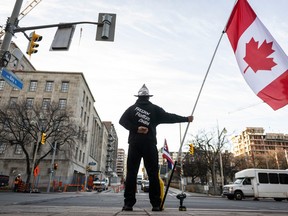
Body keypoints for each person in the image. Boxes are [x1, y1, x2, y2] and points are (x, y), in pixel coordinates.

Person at [119, 84, 193, 211]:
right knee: (153, 174)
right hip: (149, 144)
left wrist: (135, 128)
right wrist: (186, 119)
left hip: (134, 144)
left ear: (138, 97)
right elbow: (170, 117)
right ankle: (156, 204)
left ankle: (128, 204)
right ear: (148, 97)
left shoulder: (131, 109)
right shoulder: (155, 109)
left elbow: (122, 121)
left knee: (131, 173)